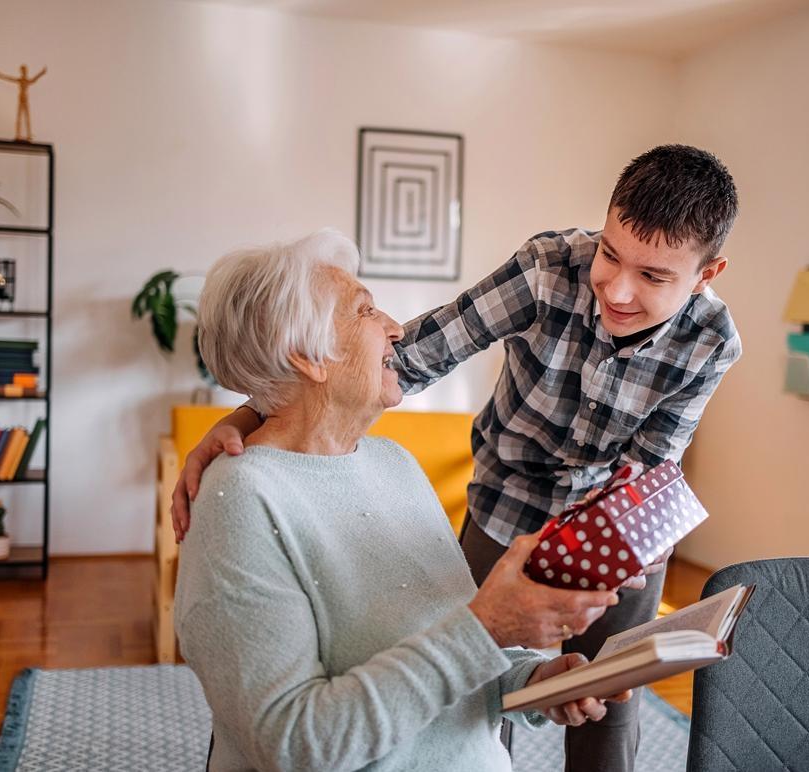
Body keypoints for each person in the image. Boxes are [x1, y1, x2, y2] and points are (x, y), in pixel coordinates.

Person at [175, 144, 742, 771]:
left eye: (654, 277)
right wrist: (252, 414)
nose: (618, 288)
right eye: (610, 254)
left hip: (617, 517)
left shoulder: (712, 341)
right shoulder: (548, 269)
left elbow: (648, 469)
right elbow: (403, 356)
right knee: (477, 654)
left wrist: (536, 665)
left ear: (706, 274)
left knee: (605, 700)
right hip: (508, 499)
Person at [175, 231, 630, 772]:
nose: (396, 329)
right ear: (307, 356)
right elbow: (297, 745)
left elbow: (452, 647)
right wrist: (487, 626)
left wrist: (533, 678)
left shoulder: (393, 462)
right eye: (366, 310)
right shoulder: (240, 502)